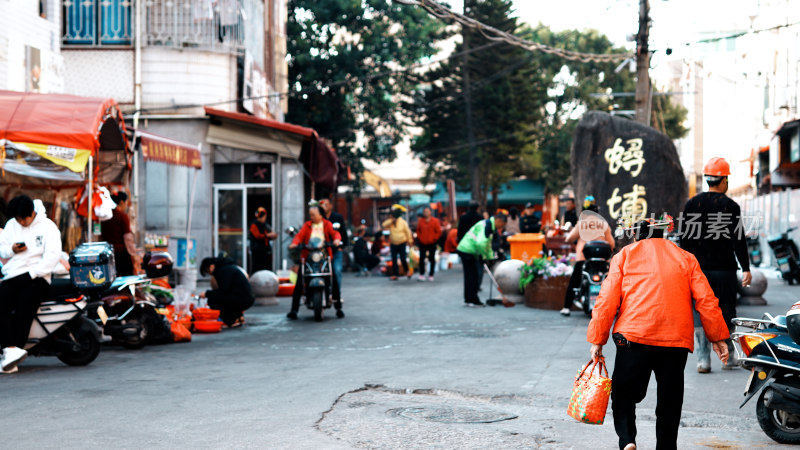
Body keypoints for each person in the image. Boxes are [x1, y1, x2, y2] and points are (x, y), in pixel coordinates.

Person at [587, 218, 730, 450]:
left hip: (632, 336)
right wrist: (718, 337)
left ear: (637, 235)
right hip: (675, 340)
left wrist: (597, 339)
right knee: (670, 399)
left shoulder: (624, 255)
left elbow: (606, 300)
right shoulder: (686, 258)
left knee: (623, 392)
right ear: (663, 235)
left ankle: (627, 440)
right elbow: (706, 300)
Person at [680, 157, 751, 373]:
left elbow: (684, 240)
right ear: (724, 181)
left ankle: (703, 359)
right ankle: (728, 357)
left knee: (700, 311)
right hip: (725, 270)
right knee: (726, 310)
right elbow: (738, 239)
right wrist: (746, 267)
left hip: (698, 271)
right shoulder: (731, 206)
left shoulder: (692, 204)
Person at [0, 195, 62, 372]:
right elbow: (2, 248)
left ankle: (13, 354)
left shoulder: (48, 227)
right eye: (17, 219)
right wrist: (12, 249)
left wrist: (33, 273)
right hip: (13, 274)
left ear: (32, 213)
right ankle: (11, 352)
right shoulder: (12, 224)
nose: (20, 222)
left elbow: (52, 256)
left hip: (39, 277)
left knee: (24, 307)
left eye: (22, 219)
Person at [287, 205, 343, 319]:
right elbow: (299, 236)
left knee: (334, 278)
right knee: (299, 282)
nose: (311, 216)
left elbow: (335, 234)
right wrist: (295, 243)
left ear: (320, 215)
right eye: (310, 214)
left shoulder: (327, 224)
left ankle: (338, 307)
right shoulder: (307, 225)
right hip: (309, 256)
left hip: (324, 256)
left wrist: (336, 240)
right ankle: (294, 310)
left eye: (313, 214)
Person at [561, 202, 616, 316]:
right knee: (611, 281)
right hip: (602, 259)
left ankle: (566, 307)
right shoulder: (603, 223)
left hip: (584, 258)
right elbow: (612, 243)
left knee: (575, 280)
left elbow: (569, 238)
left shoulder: (582, 223)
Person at [456, 212, 507, 307]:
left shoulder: (490, 226)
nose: (501, 228)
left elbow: (487, 245)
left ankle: (469, 299)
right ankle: (473, 300)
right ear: (499, 221)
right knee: (472, 276)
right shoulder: (487, 226)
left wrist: (489, 257)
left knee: (471, 276)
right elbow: (481, 243)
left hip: (468, 250)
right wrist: (483, 257)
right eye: (502, 225)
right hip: (467, 250)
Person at [199, 256, 254, 328]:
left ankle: (231, 321)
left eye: (207, 271)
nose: (210, 274)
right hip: (246, 297)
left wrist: (207, 294)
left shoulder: (223, 271)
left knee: (213, 301)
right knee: (225, 299)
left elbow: (223, 291)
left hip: (243, 298)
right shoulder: (226, 267)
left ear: (211, 266)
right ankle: (239, 317)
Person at [101, 191, 140, 276]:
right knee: (126, 278)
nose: (126, 206)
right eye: (126, 203)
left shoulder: (105, 216)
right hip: (121, 254)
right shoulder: (122, 216)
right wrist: (133, 254)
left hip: (107, 253)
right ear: (121, 202)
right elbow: (128, 239)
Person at [319, 199, 347, 304]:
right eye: (322, 205)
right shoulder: (318, 219)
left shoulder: (337, 217)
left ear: (331, 205)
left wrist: (341, 245)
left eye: (326, 205)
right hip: (321, 251)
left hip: (335, 250)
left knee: (336, 270)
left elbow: (341, 233)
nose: (324, 207)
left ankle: (336, 295)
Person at [382, 204, 414, 281]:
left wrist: (410, 241)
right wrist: (391, 221)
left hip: (402, 243)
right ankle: (395, 274)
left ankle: (407, 271)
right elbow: (383, 225)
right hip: (393, 243)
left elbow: (408, 232)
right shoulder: (391, 222)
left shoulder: (403, 222)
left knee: (403, 258)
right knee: (394, 259)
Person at [415, 207, 442, 281]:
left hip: (432, 242)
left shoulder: (435, 221)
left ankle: (431, 274)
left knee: (432, 258)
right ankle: (422, 274)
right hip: (422, 242)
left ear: (430, 212)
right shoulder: (421, 221)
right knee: (421, 259)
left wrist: (434, 239)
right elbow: (418, 231)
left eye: (427, 211)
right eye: (425, 211)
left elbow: (438, 231)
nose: (426, 213)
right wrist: (420, 238)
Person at [248, 206, 277, 274]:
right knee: (257, 268)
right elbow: (257, 235)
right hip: (257, 251)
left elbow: (269, 235)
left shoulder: (265, 225)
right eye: (263, 216)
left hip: (265, 251)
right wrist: (268, 235)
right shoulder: (254, 224)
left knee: (266, 268)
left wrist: (273, 236)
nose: (264, 218)